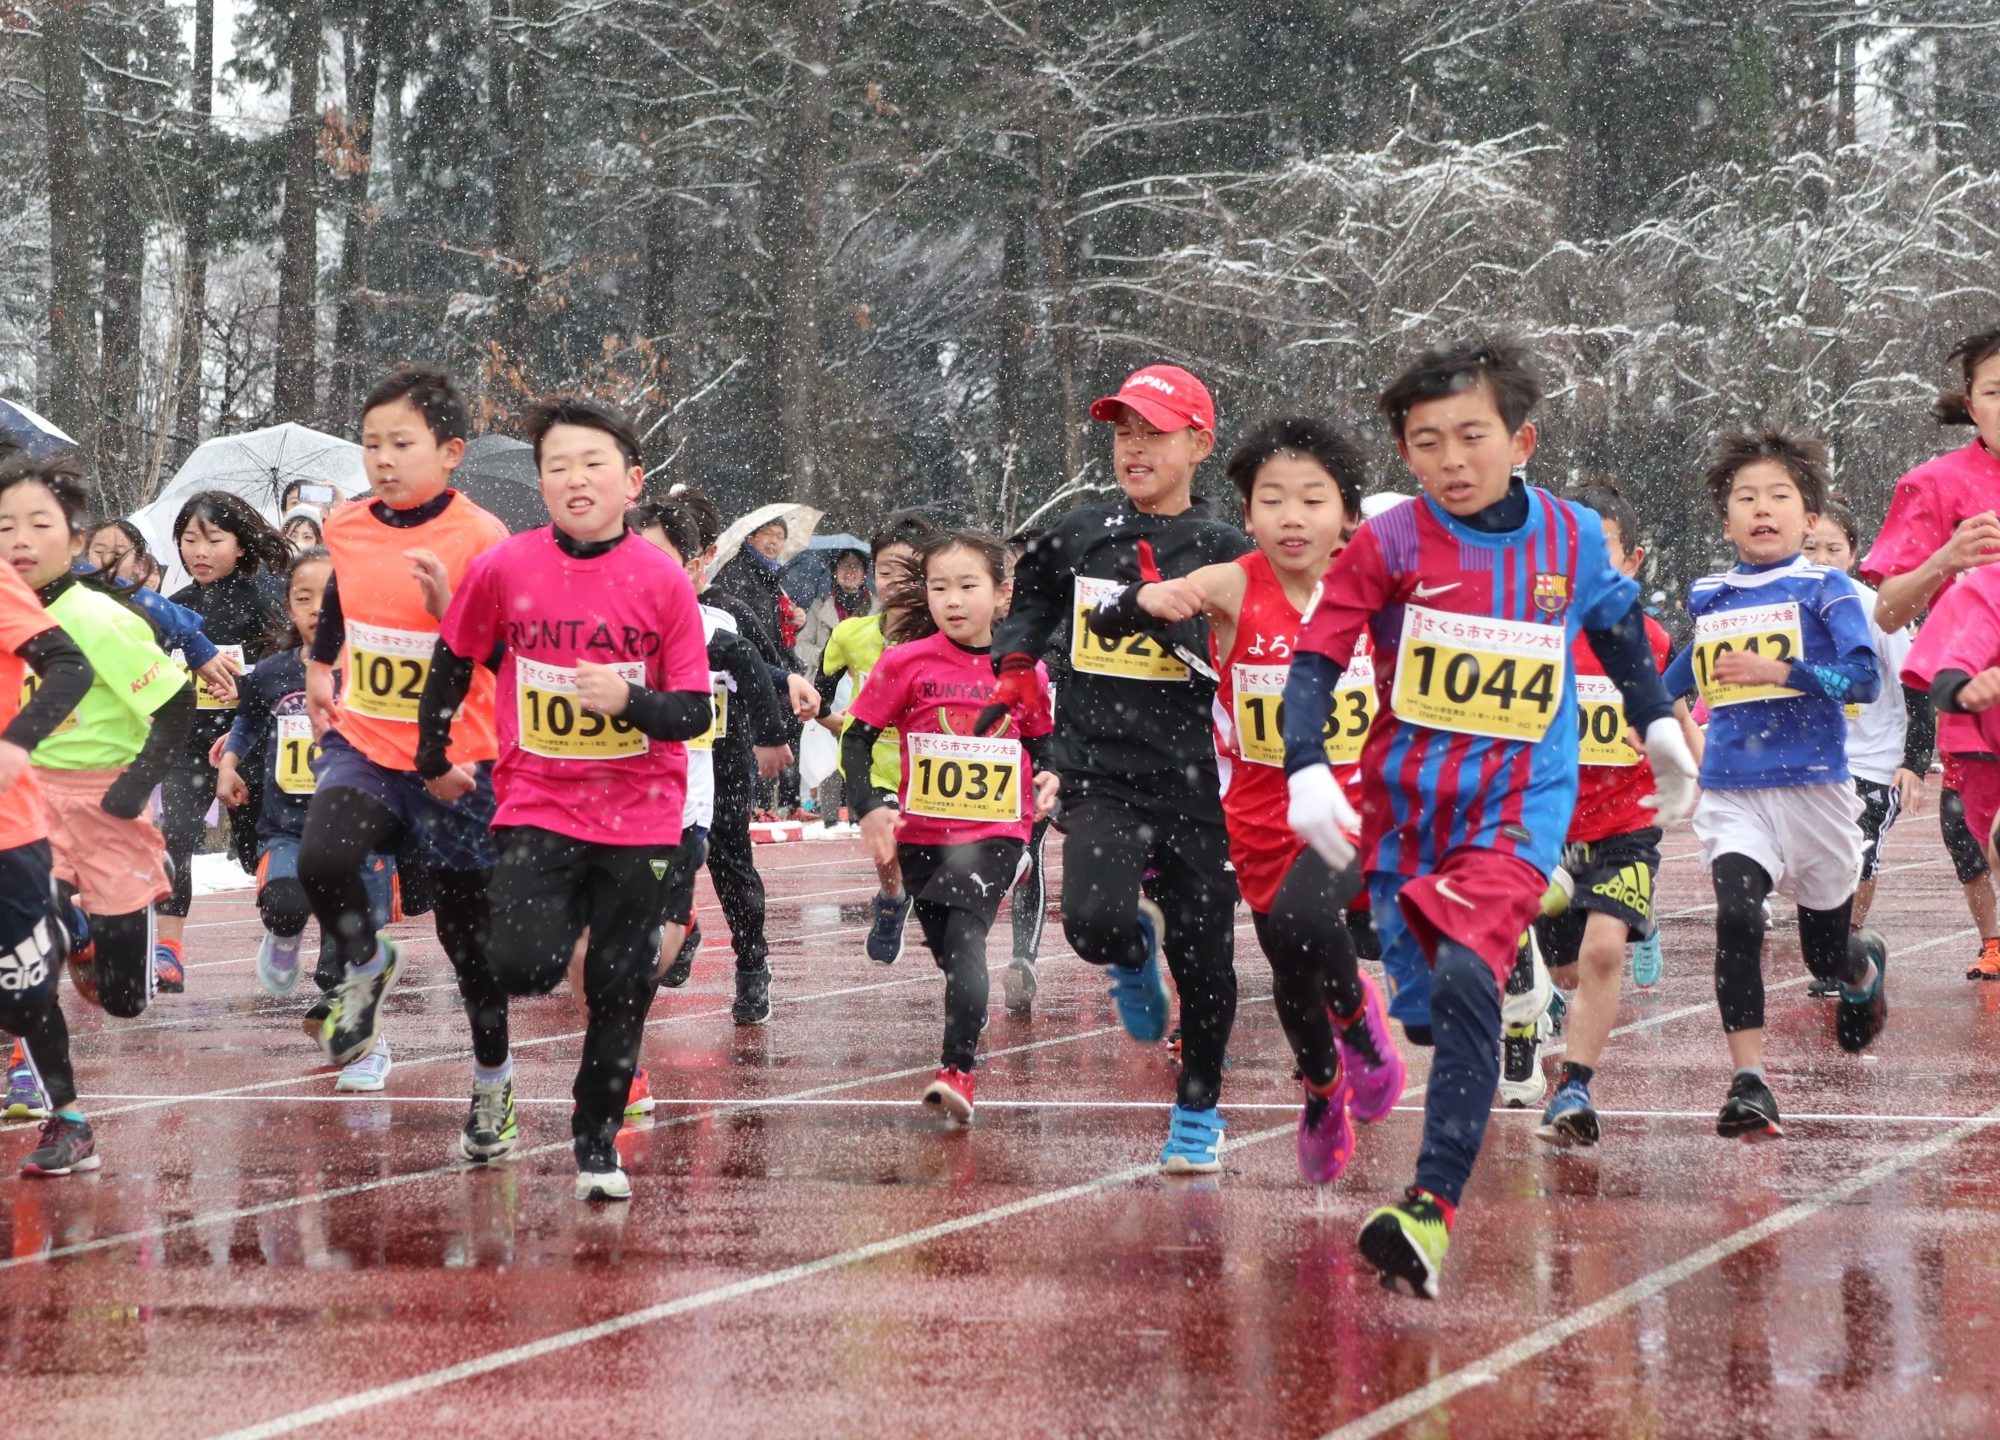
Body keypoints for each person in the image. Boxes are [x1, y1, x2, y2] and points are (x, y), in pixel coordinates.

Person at [1281, 338, 1695, 1298]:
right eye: (1427, 443)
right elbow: (1315, 660)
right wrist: (1307, 766)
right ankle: (1423, 1018)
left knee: (1470, 972)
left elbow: (1621, 634)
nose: (1452, 460)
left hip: (1517, 809)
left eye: (1473, 436)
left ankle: (1430, 1209)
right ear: (1405, 455)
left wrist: (1660, 726)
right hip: (1405, 813)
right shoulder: (1387, 543)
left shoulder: (1573, 535)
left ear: (1522, 440)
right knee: (1429, 1005)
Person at [1090, 415, 1406, 1186]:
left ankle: (1363, 1026)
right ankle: (1322, 1089)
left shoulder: (1374, 585)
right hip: (1259, 817)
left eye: (1312, 500)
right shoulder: (1235, 581)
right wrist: (1141, 602)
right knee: (1288, 968)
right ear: (1248, 515)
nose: (1291, 518)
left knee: (1307, 920)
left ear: (1348, 516)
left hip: (1351, 806)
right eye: (1271, 501)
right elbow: (1152, 600)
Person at [419, 397, 711, 1199]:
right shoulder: (507, 567)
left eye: (593, 463)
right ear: (541, 483)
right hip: (538, 802)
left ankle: (596, 1142)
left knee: (621, 984)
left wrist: (629, 702)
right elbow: (455, 659)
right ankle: (559, 928)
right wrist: (431, 748)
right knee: (520, 961)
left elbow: (694, 711)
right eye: (557, 466)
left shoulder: (660, 582)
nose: (575, 479)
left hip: (641, 812)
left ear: (632, 480)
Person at [998, 363, 1253, 1174]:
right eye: (1122, 434)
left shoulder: (1229, 548)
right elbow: (1032, 601)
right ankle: (1133, 956)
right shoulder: (1076, 532)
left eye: (1153, 433)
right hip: (1101, 768)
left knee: (1208, 959)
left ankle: (1198, 1110)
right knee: (1094, 922)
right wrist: (1013, 661)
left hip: (1201, 779)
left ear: (1199, 444)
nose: (1134, 449)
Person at [296, 363, 515, 1162]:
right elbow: (340, 601)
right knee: (320, 859)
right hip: (368, 743)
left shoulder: (483, 538)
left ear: (450, 450)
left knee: (469, 944)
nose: (382, 459)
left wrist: (445, 614)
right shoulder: (348, 526)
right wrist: (321, 667)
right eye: (370, 444)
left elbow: (508, 653)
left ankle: (493, 1080)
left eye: (402, 443)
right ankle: (366, 959)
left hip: (460, 761)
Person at [1661, 430, 1888, 1142]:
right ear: (1726, 520)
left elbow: (1862, 680)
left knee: (1824, 953)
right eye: (1746, 497)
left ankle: (1861, 970)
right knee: (1737, 918)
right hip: (1734, 789)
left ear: (1810, 517)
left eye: (1779, 495)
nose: (1762, 508)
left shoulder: (1829, 590)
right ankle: (1750, 1082)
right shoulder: (1711, 595)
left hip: (1816, 790)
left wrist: (1780, 672)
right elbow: (1671, 684)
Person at [2, 458, 195, 1135]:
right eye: (4, 526)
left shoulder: (100, 621)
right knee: (25, 937)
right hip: (29, 799)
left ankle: (97, 938)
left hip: (107, 796)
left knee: (124, 1000)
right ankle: (30, 1057)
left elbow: (179, 704)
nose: (19, 540)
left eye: (38, 524)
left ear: (76, 541)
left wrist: (134, 788)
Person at [844, 530, 1057, 1119]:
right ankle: (968, 1014)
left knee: (966, 939)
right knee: (948, 950)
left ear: (1001, 593)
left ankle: (957, 1070)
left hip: (995, 835)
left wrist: (1050, 779)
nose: (953, 600)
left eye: (968, 586)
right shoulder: (905, 663)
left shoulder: (1023, 671)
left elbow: (1045, 744)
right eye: (940, 588)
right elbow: (857, 739)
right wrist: (867, 806)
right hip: (922, 835)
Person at [1534, 485, 1704, 1146]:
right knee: (1567, 969)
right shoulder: (1535, 632)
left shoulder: (1648, 636)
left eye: (1599, 552)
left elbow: (1675, 711)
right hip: (1549, 829)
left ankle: (1574, 1086)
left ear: (1629, 562)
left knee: (1603, 952)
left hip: (1625, 826)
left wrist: (1696, 766)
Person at [213, 547, 398, 1089]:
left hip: (362, 834)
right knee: (285, 902)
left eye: (331, 595)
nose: (318, 607)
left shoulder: (376, 673)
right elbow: (246, 725)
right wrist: (228, 764)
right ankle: (285, 933)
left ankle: (369, 1050)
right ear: (288, 606)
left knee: (351, 960)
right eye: (303, 597)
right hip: (289, 827)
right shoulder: (272, 674)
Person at [1862, 324, 2000, 976]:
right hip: (1975, 707)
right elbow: (1888, 609)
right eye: (1996, 391)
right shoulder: (1935, 485)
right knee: (1986, 839)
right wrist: (1947, 557)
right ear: (1971, 404)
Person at [632, 498, 792, 1020]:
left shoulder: (727, 612)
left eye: (661, 557)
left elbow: (765, 669)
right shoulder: (621, 610)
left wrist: (784, 700)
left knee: (728, 862)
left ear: (697, 562)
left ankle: (752, 964)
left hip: (718, 755)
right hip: (649, 759)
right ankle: (682, 925)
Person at [156, 492, 289, 992]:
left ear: (241, 543)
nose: (199, 551)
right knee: (175, 837)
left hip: (251, 744)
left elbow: (286, 673)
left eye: (213, 540)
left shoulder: (267, 599)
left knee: (257, 847)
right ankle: (169, 949)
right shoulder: (175, 609)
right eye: (189, 540)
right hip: (189, 744)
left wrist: (246, 683)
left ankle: (282, 928)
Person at [0, 548, 98, 1166]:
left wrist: (14, 744)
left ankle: (69, 1120)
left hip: (7, 827)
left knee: (20, 998)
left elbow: (68, 667)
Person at [1801, 498, 1929, 958]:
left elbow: (1916, 683)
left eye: (1833, 548)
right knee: (1816, 857)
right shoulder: (1787, 603)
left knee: (1858, 852)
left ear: (1853, 555)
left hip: (1873, 759)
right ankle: (1833, 946)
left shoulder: (1877, 609)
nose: (1820, 558)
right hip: (1812, 755)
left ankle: (1847, 946)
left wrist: (1914, 761)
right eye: (1809, 546)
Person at [813, 513, 936, 964]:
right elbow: (821, 698)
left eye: (907, 573)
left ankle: (934, 918)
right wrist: (843, 726)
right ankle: (891, 898)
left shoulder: (948, 638)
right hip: (873, 764)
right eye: (885, 571)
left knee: (931, 859)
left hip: (931, 766)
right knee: (886, 842)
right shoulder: (851, 635)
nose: (895, 583)